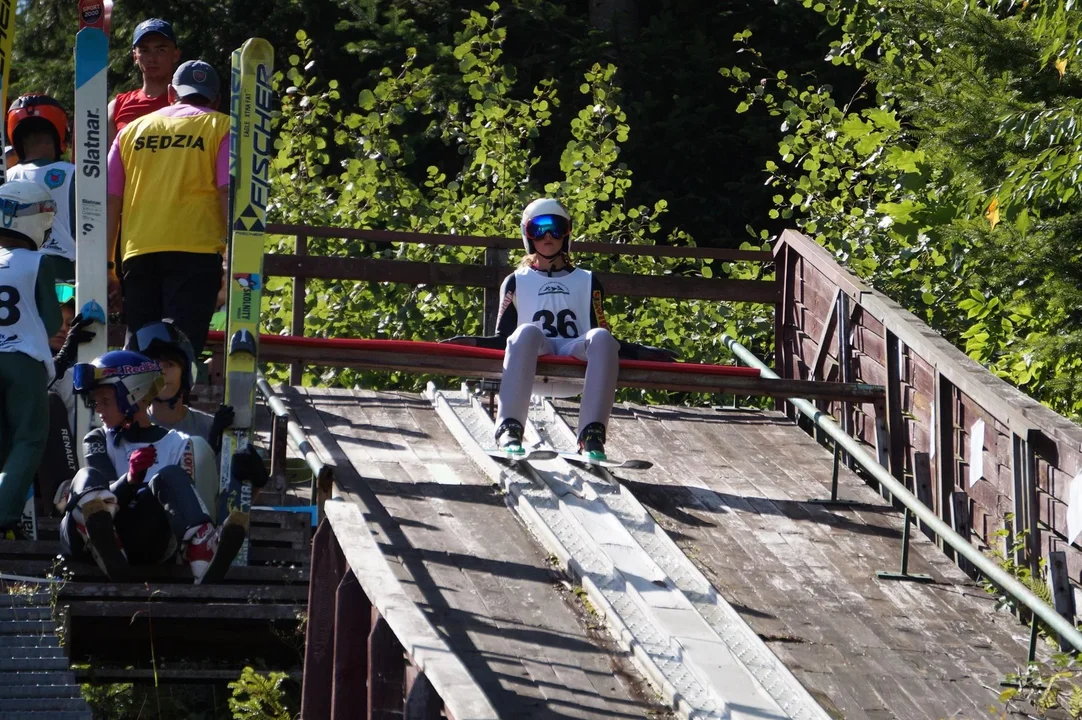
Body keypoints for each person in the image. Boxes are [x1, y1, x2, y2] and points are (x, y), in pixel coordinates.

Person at [60, 350, 247, 583]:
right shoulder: (97, 438)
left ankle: (202, 553)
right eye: (96, 402)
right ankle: (106, 547)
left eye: (105, 401)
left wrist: (142, 485)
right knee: (87, 476)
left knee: (169, 476)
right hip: (87, 539)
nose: (98, 409)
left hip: (145, 541)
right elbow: (105, 500)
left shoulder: (179, 444)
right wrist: (130, 480)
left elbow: (176, 504)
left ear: (134, 397)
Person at [106, 59, 230, 355]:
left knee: (139, 351)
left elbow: (110, 201)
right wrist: (231, 261)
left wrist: (108, 265)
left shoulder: (131, 131)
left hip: (139, 253)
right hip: (197, 253)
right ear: (216, 99)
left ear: (172, 93)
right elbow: (229, 194)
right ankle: (170, 402)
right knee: (179, 351)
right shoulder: (224, 127)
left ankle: (138, 402)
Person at [125, 319, 268, 516]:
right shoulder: (129, 428)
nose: (162, 372)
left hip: (198, 534)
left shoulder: (211, 427)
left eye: (170, 364)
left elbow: (227, 505)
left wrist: (255, 483)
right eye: (154, 365)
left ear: (185, 373)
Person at [0, 181, 62, 534]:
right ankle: (3, 516)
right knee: (28, 439)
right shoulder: (39, 261)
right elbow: (52, 321)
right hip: (24, 360)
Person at [6, 94, 77, 283]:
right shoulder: (74, 174)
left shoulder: (7, 177)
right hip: (63, 271)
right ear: (60, 133)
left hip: (16, 271)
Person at [107, 18, 181, 146]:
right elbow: (107, 162)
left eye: (160, 50)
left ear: (175, 55)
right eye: (144, 51)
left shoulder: (187, 103)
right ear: (135, 56)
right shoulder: (116, 107)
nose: (152, 58)